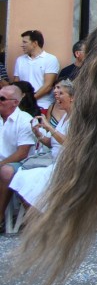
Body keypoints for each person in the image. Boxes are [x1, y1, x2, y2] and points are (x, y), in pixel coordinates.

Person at [9, 79, 74, 211]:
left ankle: (41, 219)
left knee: (29, 178)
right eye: (55, 92)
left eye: (61, 93)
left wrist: (50, 127)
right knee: (20, 177)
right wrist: (38, 134)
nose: (56, 95)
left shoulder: (78, 117)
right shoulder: (64, 117)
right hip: (53, 159)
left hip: (67, 163)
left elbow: (69, 143)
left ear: (72, 97)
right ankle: (37, 219)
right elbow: (53, 143)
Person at [0, 83, 35, 218]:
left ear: (15, 102)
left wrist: (1, 164)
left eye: (2, 99)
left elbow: (22, 153)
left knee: (6, 171)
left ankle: (1, 215)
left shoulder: (24, 120)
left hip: (21, 164)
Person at [12, 30, 59, 113]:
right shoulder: (20, 60)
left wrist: (30, 100)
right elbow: (16, 83)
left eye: (25, 42)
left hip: (43, 105)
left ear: (35, 43)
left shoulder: (50, 59)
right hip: (22, 106)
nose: (22, 45)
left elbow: (48, 85)